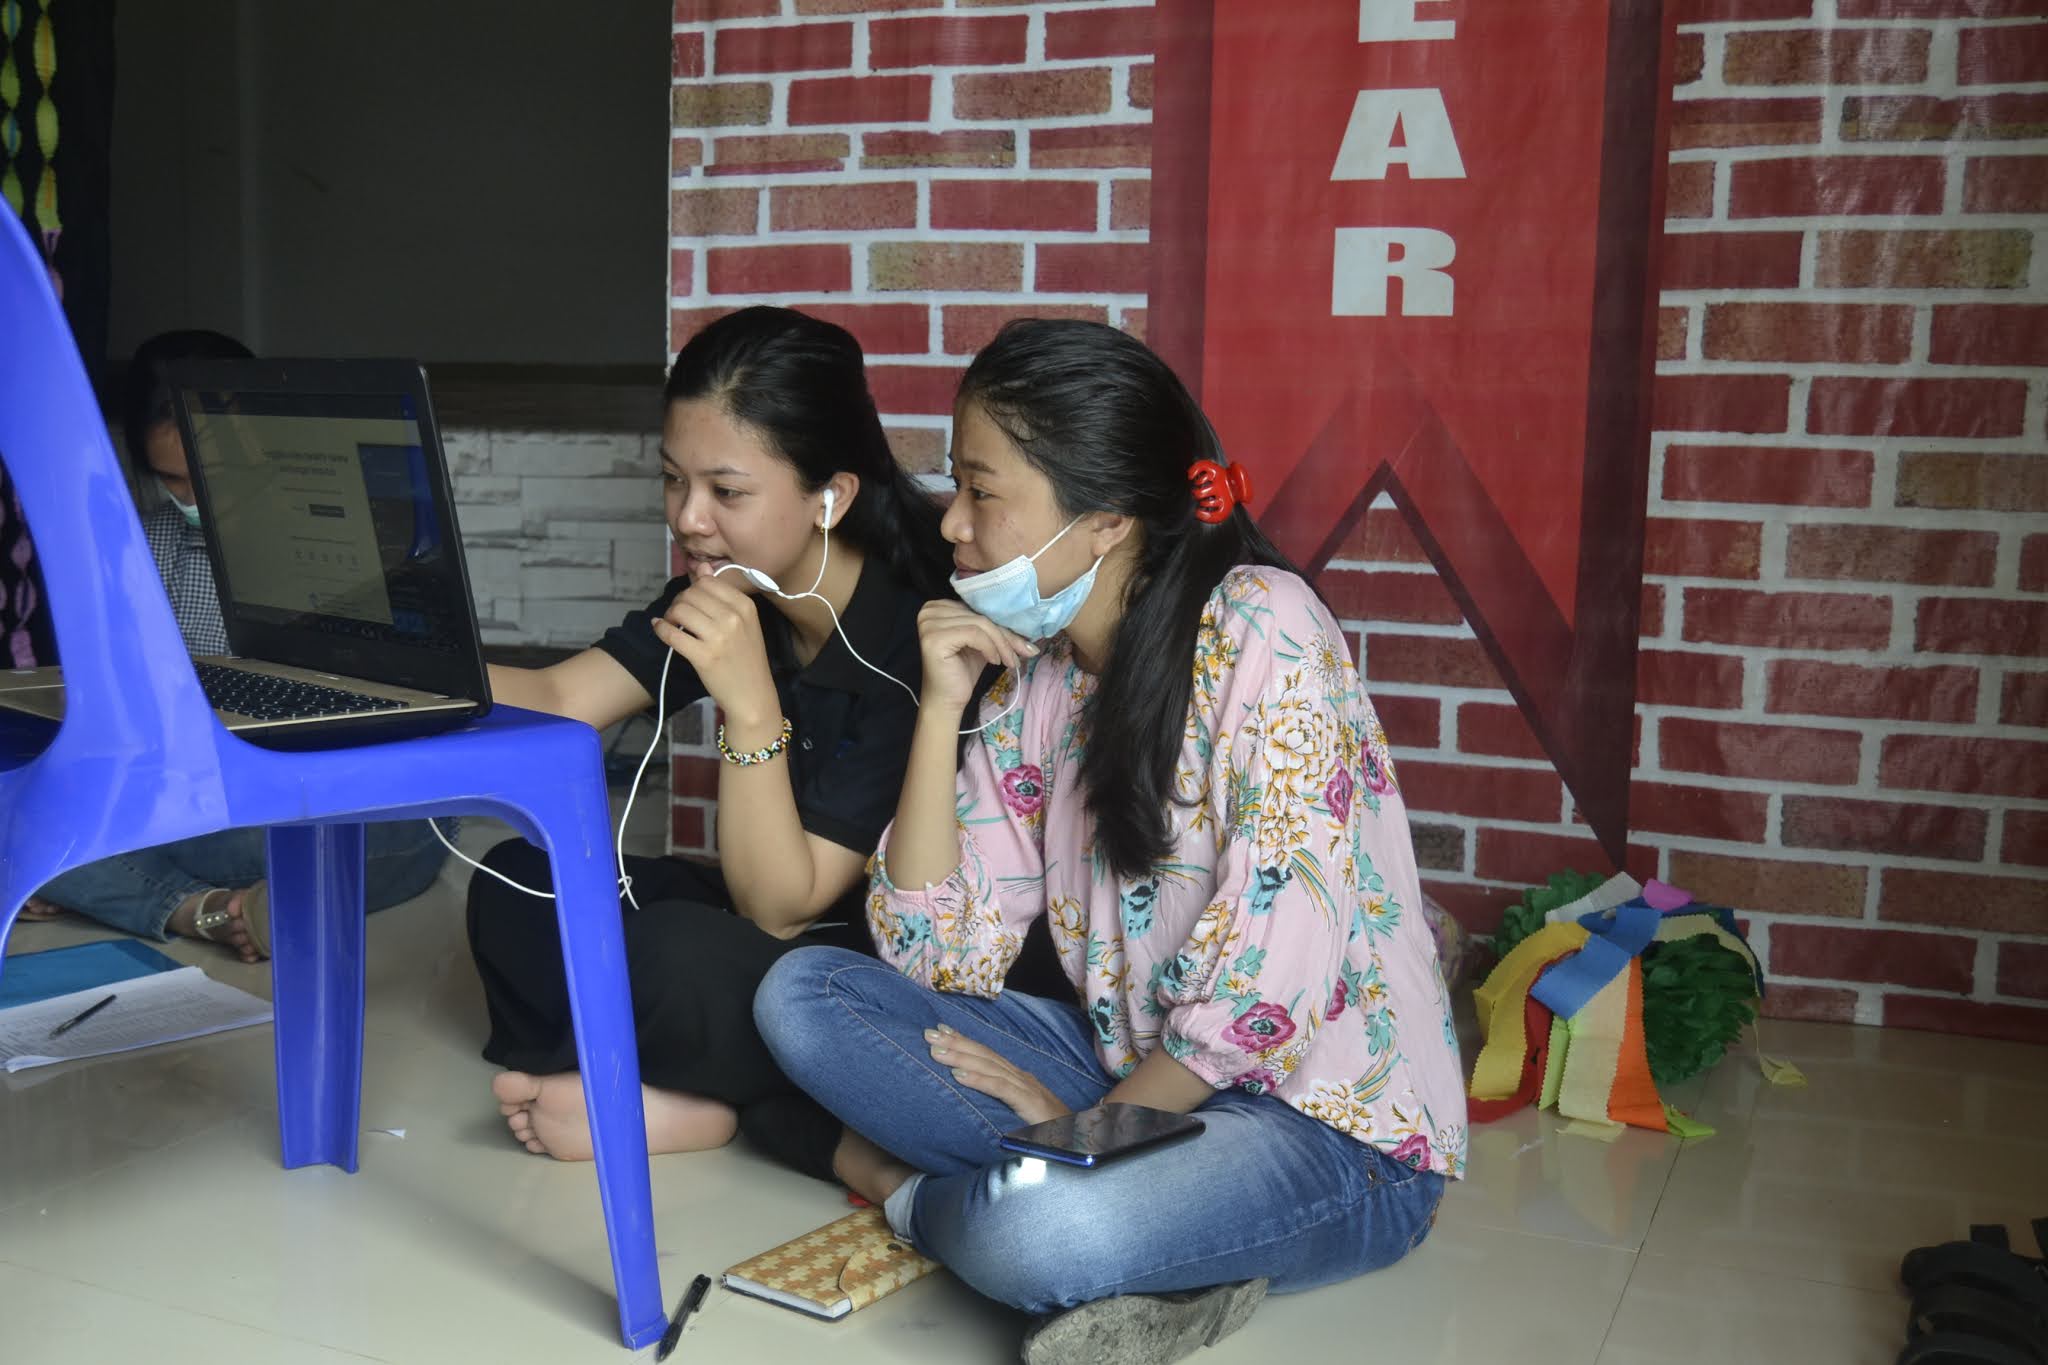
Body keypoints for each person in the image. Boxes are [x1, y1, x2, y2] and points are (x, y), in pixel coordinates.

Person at [754, 320, 1467, 1362]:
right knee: (805, 994)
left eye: (982, 490)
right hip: (1125, 1066)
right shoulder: (1040, 678)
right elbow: (932, 951)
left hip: (1324, 1130)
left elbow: (1266, 988)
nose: (951, 521)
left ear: (1104, 522)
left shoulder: (1266, 624)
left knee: (1038, 1231)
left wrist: (1093, 1133)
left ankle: (912, 1194)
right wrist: (940, 705)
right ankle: (1154, 1235)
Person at [467, 306, 1064, 1181]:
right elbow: (561, 697)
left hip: (875, 966)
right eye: (674, 480)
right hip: (773, 929)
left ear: (833, 497)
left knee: (671, 957)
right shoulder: (731, 586)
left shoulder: (920, 632)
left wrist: (750, 708)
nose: (689, 518)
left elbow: (782, 907)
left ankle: (705, 1098)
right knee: (516, 884)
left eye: (727, 491)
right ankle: (703, 1094)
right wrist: (392, 673)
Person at [19, 330, 453, 961]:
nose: (195, 499)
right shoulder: (140, 551)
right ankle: (203, 909)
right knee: (31, 802)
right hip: (191, 800)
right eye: (173, 480)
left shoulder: (341, 538)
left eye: (215, 476)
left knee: (416, 832)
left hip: (314, 797)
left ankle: (96, 879)